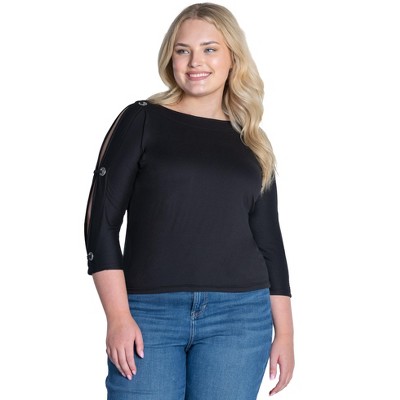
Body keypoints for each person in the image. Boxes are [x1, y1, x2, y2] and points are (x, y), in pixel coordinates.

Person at [84, 3, 294, 399]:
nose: (196, 61)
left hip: (240, 317)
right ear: (171, 58)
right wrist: (118, 317)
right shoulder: (141, 120)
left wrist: (285, 333)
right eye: (183, 50)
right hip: (149, 314)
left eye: (210, 49)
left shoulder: (251, 139)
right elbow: (101, 225)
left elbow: (269, 240)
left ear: (233, 58)